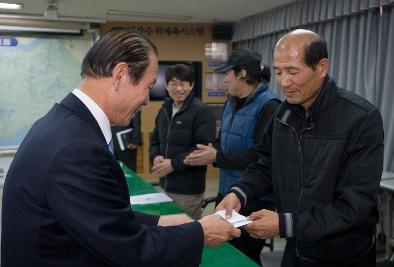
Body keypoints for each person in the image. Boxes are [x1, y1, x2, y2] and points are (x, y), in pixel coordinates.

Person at [1, 27, 240, 267]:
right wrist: (198, 233)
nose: (147, 100)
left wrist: (158, 223)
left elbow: (97, 215)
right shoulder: (79, 149)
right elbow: (126, 249)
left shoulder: (62, 123)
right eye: (147, 87)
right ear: (121, 75)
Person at [217, 29, 384, 267]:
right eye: (278, 72)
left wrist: (285, 224)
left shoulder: (361, 118)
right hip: (295, 248)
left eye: (293, 71)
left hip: (342, 255)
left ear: (322, 67)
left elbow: (354, 206)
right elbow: (265, 164)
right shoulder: (283, 113)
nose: (284, 82)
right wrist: (239, 193)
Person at [184, 48, 280, 264]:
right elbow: (222, 141)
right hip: (227, 193)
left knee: (243, 258)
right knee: (222, 253)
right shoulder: (231, 101)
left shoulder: (270, 106)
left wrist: (216, 157)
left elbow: (260, 156)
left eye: (228, 73)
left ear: (243, 74)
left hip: (254, 198)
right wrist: (210, 151)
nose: (224, 78)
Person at [149, 64, 216, 220]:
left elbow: (201, 150)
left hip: (188, 190)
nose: (178, 89)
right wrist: (156, 156)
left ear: (191, 85)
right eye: (174, 84)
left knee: (185, 232)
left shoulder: (201, 111)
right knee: (169, 230)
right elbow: (155, 139)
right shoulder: (164, 109)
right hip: (166, 184)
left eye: (183, 84)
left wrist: (172, 164)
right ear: (166, 85)